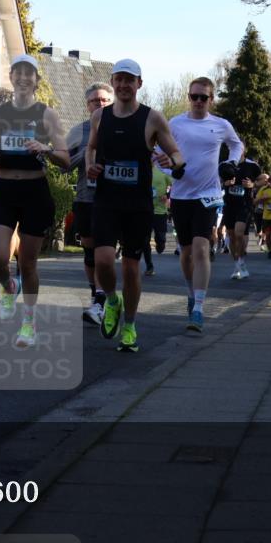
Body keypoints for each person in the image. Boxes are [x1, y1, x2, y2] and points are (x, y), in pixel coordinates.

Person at [86, 59, 183, 352]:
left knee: (130, 268)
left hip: (137, 204)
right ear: (113, 83)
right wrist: (91, 166)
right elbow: (91, 148)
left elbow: (177, 154)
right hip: (105, 200)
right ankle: (112, 301)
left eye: (130, 80)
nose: (124, 85)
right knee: (102, 260)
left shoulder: (152, 118)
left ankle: (129, 325)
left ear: (139, 84)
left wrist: (171, 161)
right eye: (119, 79)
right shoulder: (99, 117)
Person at [0, 54, 69, 348]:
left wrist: (45, 148)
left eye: (28, 74)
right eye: (17, 73)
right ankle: (8, 285)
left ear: (36, 80)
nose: (22, 78)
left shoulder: (48, 115)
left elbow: (65, 159)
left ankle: (28, 324)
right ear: (12, 77)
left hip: (34, 193)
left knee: (28, 263)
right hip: (4, 191)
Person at [168, 77, 243, 334]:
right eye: (194, 96)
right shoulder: (175, 124)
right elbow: (157, 153)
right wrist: (170, 171)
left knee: (202, 248)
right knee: (186, 253)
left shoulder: (220, 125)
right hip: (180, 196)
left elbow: (237, 144)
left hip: (208, 195)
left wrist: (230, 163)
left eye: (203, 97)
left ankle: (199, 308)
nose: (198, 101)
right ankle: (191, 293)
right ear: (189, 97)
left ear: (211, 100)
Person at [64, 82, 114, 324]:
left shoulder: (121, 127)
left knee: (105, 251)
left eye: (105, 100)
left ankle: (103, 301)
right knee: (89, 249)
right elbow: (63, 164)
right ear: (87, 106)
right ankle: (97, 296)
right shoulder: (79, 131)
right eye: (95, 101)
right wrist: (84, 155)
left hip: (114, 200)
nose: (100, 104)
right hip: (85, 197)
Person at [221, 153, 260, 279]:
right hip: (229, 205)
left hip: (244, 205)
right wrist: (225, 184)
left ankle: (241, 260)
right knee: (232, 236)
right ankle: (237, 264)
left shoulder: (252, 165)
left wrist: (252, 184)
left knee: (239, 234)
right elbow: (215, 181)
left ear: (244, 149)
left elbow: (263, 180)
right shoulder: (224, 165)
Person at [142, 151, 174, 276]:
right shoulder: (140, 172)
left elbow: (175, 184)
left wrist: (167, 196)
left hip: (160, 211)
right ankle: (149, 265)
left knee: (160, 239)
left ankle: (161, 244)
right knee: (144, 240)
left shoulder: (162, 173)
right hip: (144, 210)